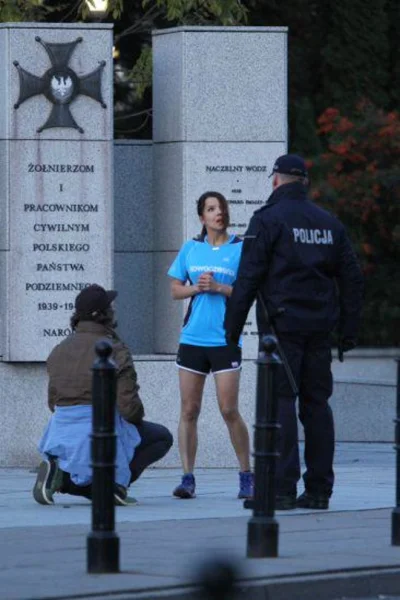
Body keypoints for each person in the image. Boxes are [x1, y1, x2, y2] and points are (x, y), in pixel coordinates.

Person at [224, 154, 364, 510]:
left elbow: (248, 279)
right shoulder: (329, 224)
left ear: (275, 181)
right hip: (320, 328)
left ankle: (281, 489)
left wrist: (231, 331)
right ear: (305, 182)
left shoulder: (267, 220)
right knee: (317, 405)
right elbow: (351, 278)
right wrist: (348, 329)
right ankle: (318, 490)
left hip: (282, 329)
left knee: (281, 403)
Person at [33, 284, 173, 506]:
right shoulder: (114, 349)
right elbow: (129, 407)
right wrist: (135, 422)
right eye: (111, 307)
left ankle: (59, 474)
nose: (114, 310)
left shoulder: (58, 349)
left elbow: (53, 402)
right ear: (103, 315)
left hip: (60, 431)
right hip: (102, 427)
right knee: (161, 436)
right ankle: (112, 485)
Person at [167, 191, 253, 500]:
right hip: (192, 340)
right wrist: (195, 288)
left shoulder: (240, 249)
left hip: (225, 341)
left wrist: (219, 287)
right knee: (189, 409)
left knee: (229, 409)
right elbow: (175, 290)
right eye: (212, 208)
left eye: (222, 208)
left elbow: (247, 292)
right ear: (202, 217)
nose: (219, 213)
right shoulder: (191, 249)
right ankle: (187, 478)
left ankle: (246, 475)